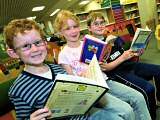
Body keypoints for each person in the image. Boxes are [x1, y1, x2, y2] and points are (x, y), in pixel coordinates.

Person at [4, 19, 125, 120]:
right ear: (13, 52)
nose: (35, 49)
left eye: (38, 42)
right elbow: (24, 117)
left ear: (45, 43)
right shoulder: (18, 90)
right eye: (25, 46)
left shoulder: (58, 69)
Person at [55, 10, 151, 120]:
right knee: (126, 110)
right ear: (61, 32)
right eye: (67, 28)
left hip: (105, 81)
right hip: (92, 89)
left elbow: (103, 63)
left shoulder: (89, 42)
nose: (73, 31)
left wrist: (101, 60)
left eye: (75, 26)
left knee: (138, 98)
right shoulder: (63, 55)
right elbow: (73, 82)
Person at [87, 11, 160, 120]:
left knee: (158, 70)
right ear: (89, 28)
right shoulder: (91, 46)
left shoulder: (112, 38)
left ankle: (157, 100)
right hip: (116, 73)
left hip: (128, 64)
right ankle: (151, 116)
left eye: (102, 22)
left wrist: (136, 52)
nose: (100, 25)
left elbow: (123, 53)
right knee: (148, 89)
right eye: (96, 24)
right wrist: (124, 57)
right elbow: (104, 68)